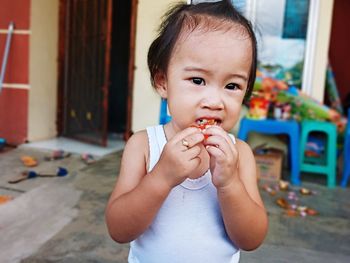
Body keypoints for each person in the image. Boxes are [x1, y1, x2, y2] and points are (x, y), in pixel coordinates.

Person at [106, 1, 268, 262]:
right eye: (197, 80)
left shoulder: (240, 155)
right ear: (162, 82)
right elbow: (118, 229)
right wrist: (162, 177)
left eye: (232, 85)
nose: (214, 101)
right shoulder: (144, 146)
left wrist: (229, 184)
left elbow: (251, 239)